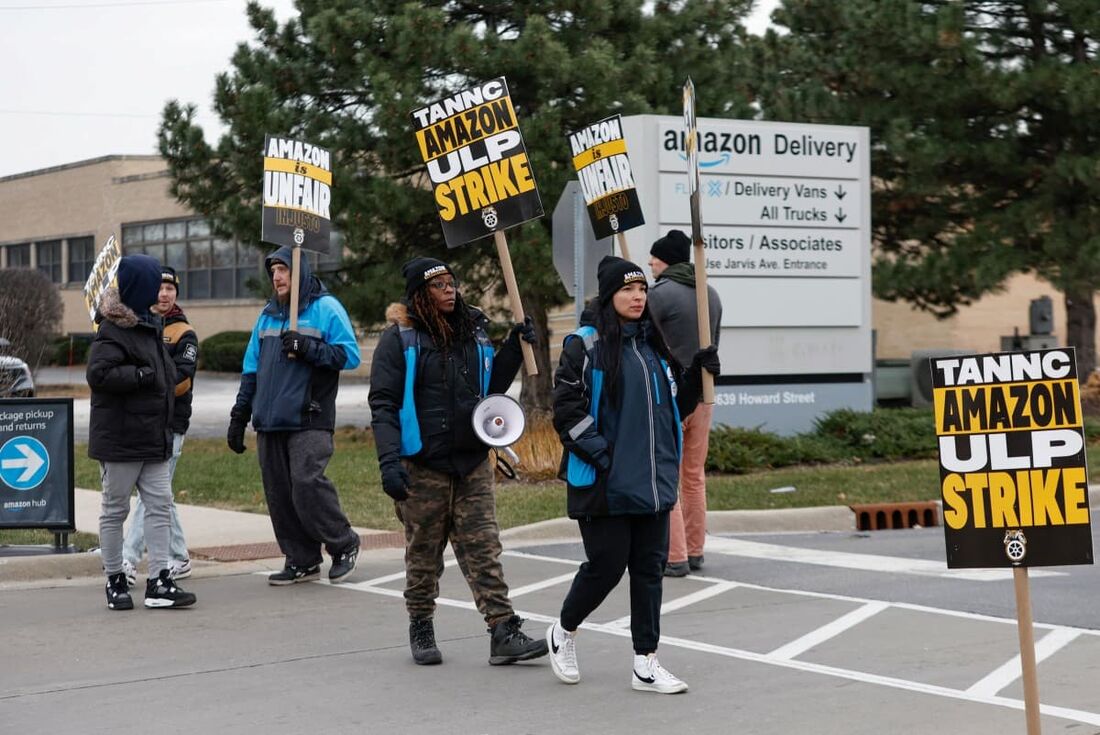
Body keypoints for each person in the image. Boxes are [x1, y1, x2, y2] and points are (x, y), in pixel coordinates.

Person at [545, 255, 719, 693]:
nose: (638, 296)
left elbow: (671, 412)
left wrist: (697, 378)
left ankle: (646, 661)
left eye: (642, 289)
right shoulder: (583, 346)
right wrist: (604, 457)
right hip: (605, 483)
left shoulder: (653, 348)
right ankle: (563, 631)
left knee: (648, 570)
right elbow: (567, 413)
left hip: (653, 483)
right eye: (627, 290)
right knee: (606, 567)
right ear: (609, 296)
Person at [368, 256, 548, 667]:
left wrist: (514, 349)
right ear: (419, 294)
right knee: (423, 553)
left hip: (472, 464)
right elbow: (383, 403)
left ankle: (503, 630)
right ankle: (421, 625)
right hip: (422, 464)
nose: (450, 290)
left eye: (452, 282)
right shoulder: (400, 340)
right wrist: (389, 462)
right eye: (439, 285)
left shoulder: (475, 334)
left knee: (484, 547)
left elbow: (490, 391)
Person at [227, 245, 362, 585]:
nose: (276, 276)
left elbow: (350, 356)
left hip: (309, 416)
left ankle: (343, 542)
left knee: (305, 483)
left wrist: (307, 347)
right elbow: (251, 370)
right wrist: (239, 416)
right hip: (270, 420)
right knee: (279, 493)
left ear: (299, 271)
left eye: (283, 269)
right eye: (273, 271)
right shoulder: (268, 315)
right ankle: (301, 558)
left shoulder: (325, 308)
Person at [87, 254, 197, 610]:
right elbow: (99, 375)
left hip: (154, 437)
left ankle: (160, 581)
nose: (160, 290)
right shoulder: (112, 328)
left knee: (160, 507)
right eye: (154, 283)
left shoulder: (151, 324)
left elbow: (167, 374)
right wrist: (140, 377)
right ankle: (115, 578)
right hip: (121, 440)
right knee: (115, 510)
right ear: (139, 286)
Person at [647, 229, 722, 577]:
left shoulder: (658, 295)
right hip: (705, 395)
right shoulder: (711, 294)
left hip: (670, 396)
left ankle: (674, 556)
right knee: (693, 475)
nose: (650, 263)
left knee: (668, 476)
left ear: (668, 261)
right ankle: (695, 550)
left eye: (655, 258)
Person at [121, 266, 197, 585]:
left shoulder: (183, 332)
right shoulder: (141, 326)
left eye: (170, 289)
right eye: (160, 288)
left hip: (171, 424)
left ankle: (128, 557)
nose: (164, 294)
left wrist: (148, 382)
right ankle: (179, 557)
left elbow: (182, 380)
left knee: (152, 496)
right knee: (161, 494)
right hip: (145, 422)